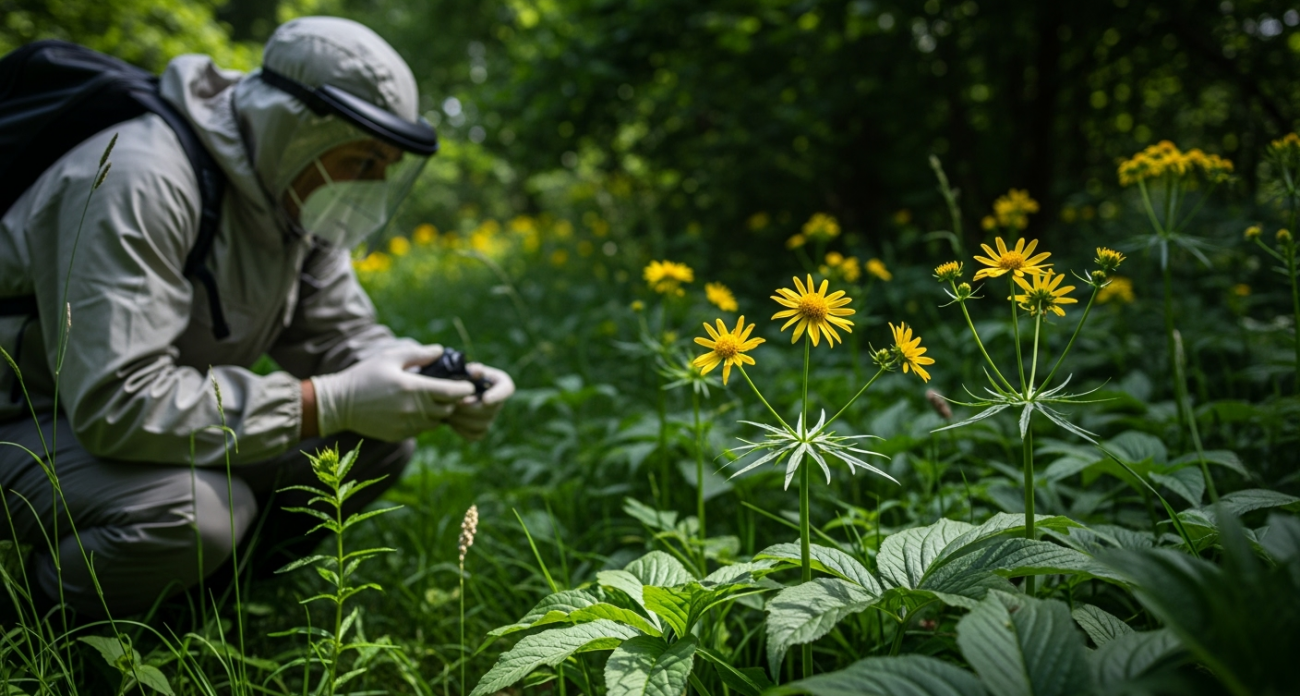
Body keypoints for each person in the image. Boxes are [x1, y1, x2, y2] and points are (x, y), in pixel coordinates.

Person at [0, 17, 514, 618]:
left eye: (388, 166)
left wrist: (432, 379)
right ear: (298, 131)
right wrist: (328, 401)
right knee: (196, 513)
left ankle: (202, 609)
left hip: (114, 425)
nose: (375, 182)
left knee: (374, 443)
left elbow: (343, 336)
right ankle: (33, 625)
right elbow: (120, 402)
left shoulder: (292, 195)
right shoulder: (142, 176)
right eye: (366, 158)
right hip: (25, 422)